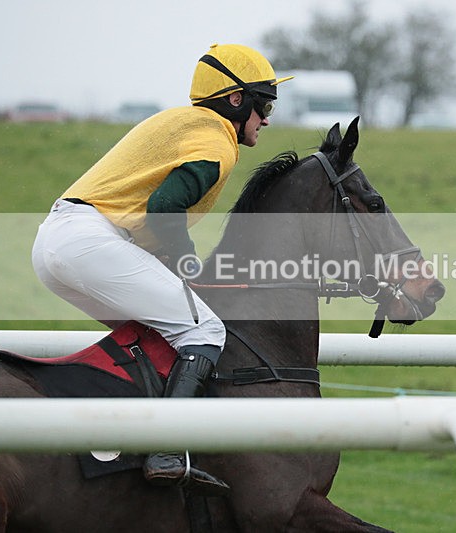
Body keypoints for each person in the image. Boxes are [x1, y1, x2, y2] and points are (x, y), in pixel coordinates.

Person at [31, 43, 292, 490]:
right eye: (263, 104)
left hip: (59, 242)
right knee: (205, 332)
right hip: (91, 242)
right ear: (237, 100)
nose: (266, 118)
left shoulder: (181, 123)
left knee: (157, 338)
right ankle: (165, 448)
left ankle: (116, 444)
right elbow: (164, 208)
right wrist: (188, 266)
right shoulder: (217, 142)